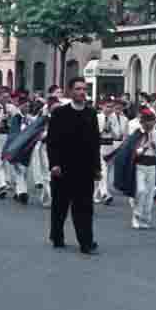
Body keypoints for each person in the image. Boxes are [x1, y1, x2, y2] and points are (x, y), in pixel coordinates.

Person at [47, 77, 102, 254]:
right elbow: (52, 141)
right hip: (63, 167)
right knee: (60, 206)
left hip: (84, 168)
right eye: (78, 89)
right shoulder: (60, 113)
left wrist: (97, 167)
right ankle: (57, 235)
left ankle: (86, 241)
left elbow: (95, 142)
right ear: (70, 92)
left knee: (84, 207)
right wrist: (54, 164)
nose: (81, 92)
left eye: (84, 89)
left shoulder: (91, 113)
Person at [130, 109, 156, 230]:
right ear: (142, 122)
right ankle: (136, 216)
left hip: (152, 166)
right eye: (147, 122)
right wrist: (144, 148)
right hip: (139, 166)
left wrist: (155, 146)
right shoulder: (137, 133)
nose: (150, 124)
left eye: (152, 121)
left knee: (149, 193)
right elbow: (133, 151)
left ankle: (145, 219)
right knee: (140, 190)